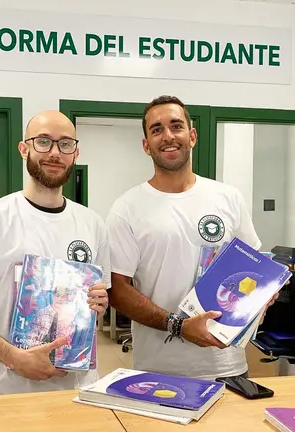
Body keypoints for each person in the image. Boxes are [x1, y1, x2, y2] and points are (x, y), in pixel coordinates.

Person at [0, 110, 110, 396]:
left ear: (75, 154)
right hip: (8, 396)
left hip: (78, 394)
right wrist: (14, 358)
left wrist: (99, 304)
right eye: (43, 142)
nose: (54, 152)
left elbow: (96, 310)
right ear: (24, 149)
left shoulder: (93, 224)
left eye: (65, 144)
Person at [106, 95, 275, 381]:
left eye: (176, 126)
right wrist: (178, 326)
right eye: (157, 129)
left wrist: (265, 291)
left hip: (227, 368)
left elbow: (254, 266)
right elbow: (116, 290)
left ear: (192, 136)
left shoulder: (228, 197)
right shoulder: (127, 208)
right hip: (158, 370)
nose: (168, 136)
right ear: (146, 145)